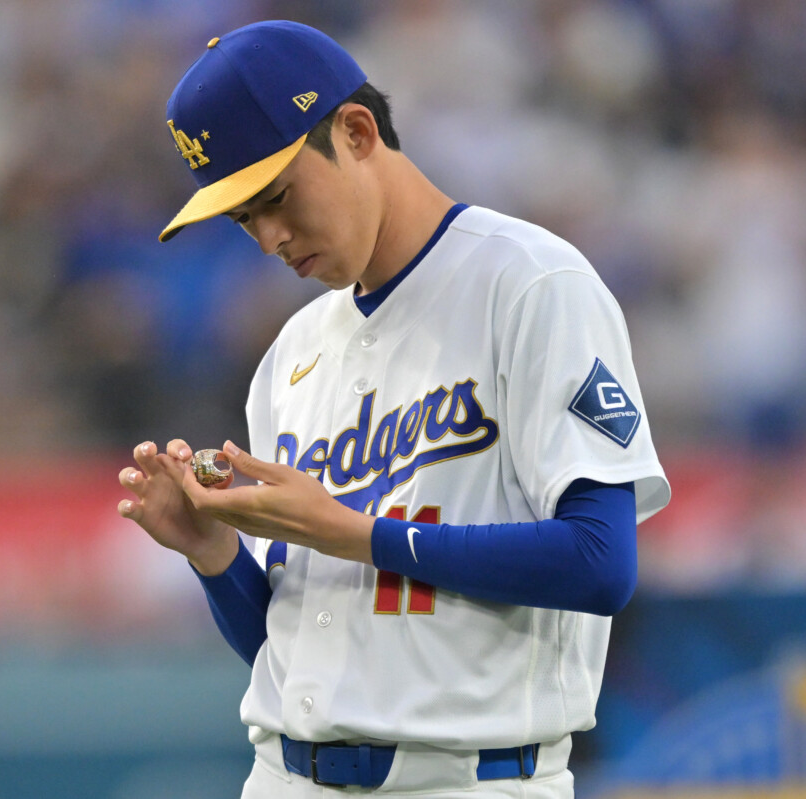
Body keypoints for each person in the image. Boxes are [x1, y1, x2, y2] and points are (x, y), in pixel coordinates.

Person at [117, 20, 670, 799]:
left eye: (277, 195)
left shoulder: (532, 285)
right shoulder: (291, 355)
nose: (270, 236)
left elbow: (600, 563)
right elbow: (301, 660)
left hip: (472, 779)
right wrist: (213, 555)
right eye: (244, 217)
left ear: (356, 130)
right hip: (285, 776)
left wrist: (352, 532)